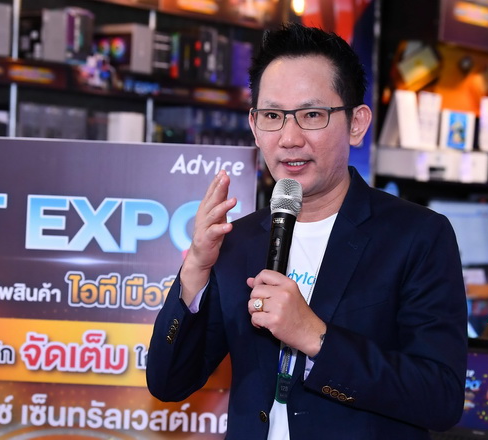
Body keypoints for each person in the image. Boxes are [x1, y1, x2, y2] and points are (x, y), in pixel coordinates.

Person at [147, 22, 467, 439]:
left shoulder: (417, 236)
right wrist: (195, 269)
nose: (289, 138)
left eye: (312, 115)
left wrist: (315, 337)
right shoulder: (238, 240)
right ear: (254, 125)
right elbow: (168, 383)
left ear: (356, 123)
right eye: (273, 116)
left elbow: (440, 398)